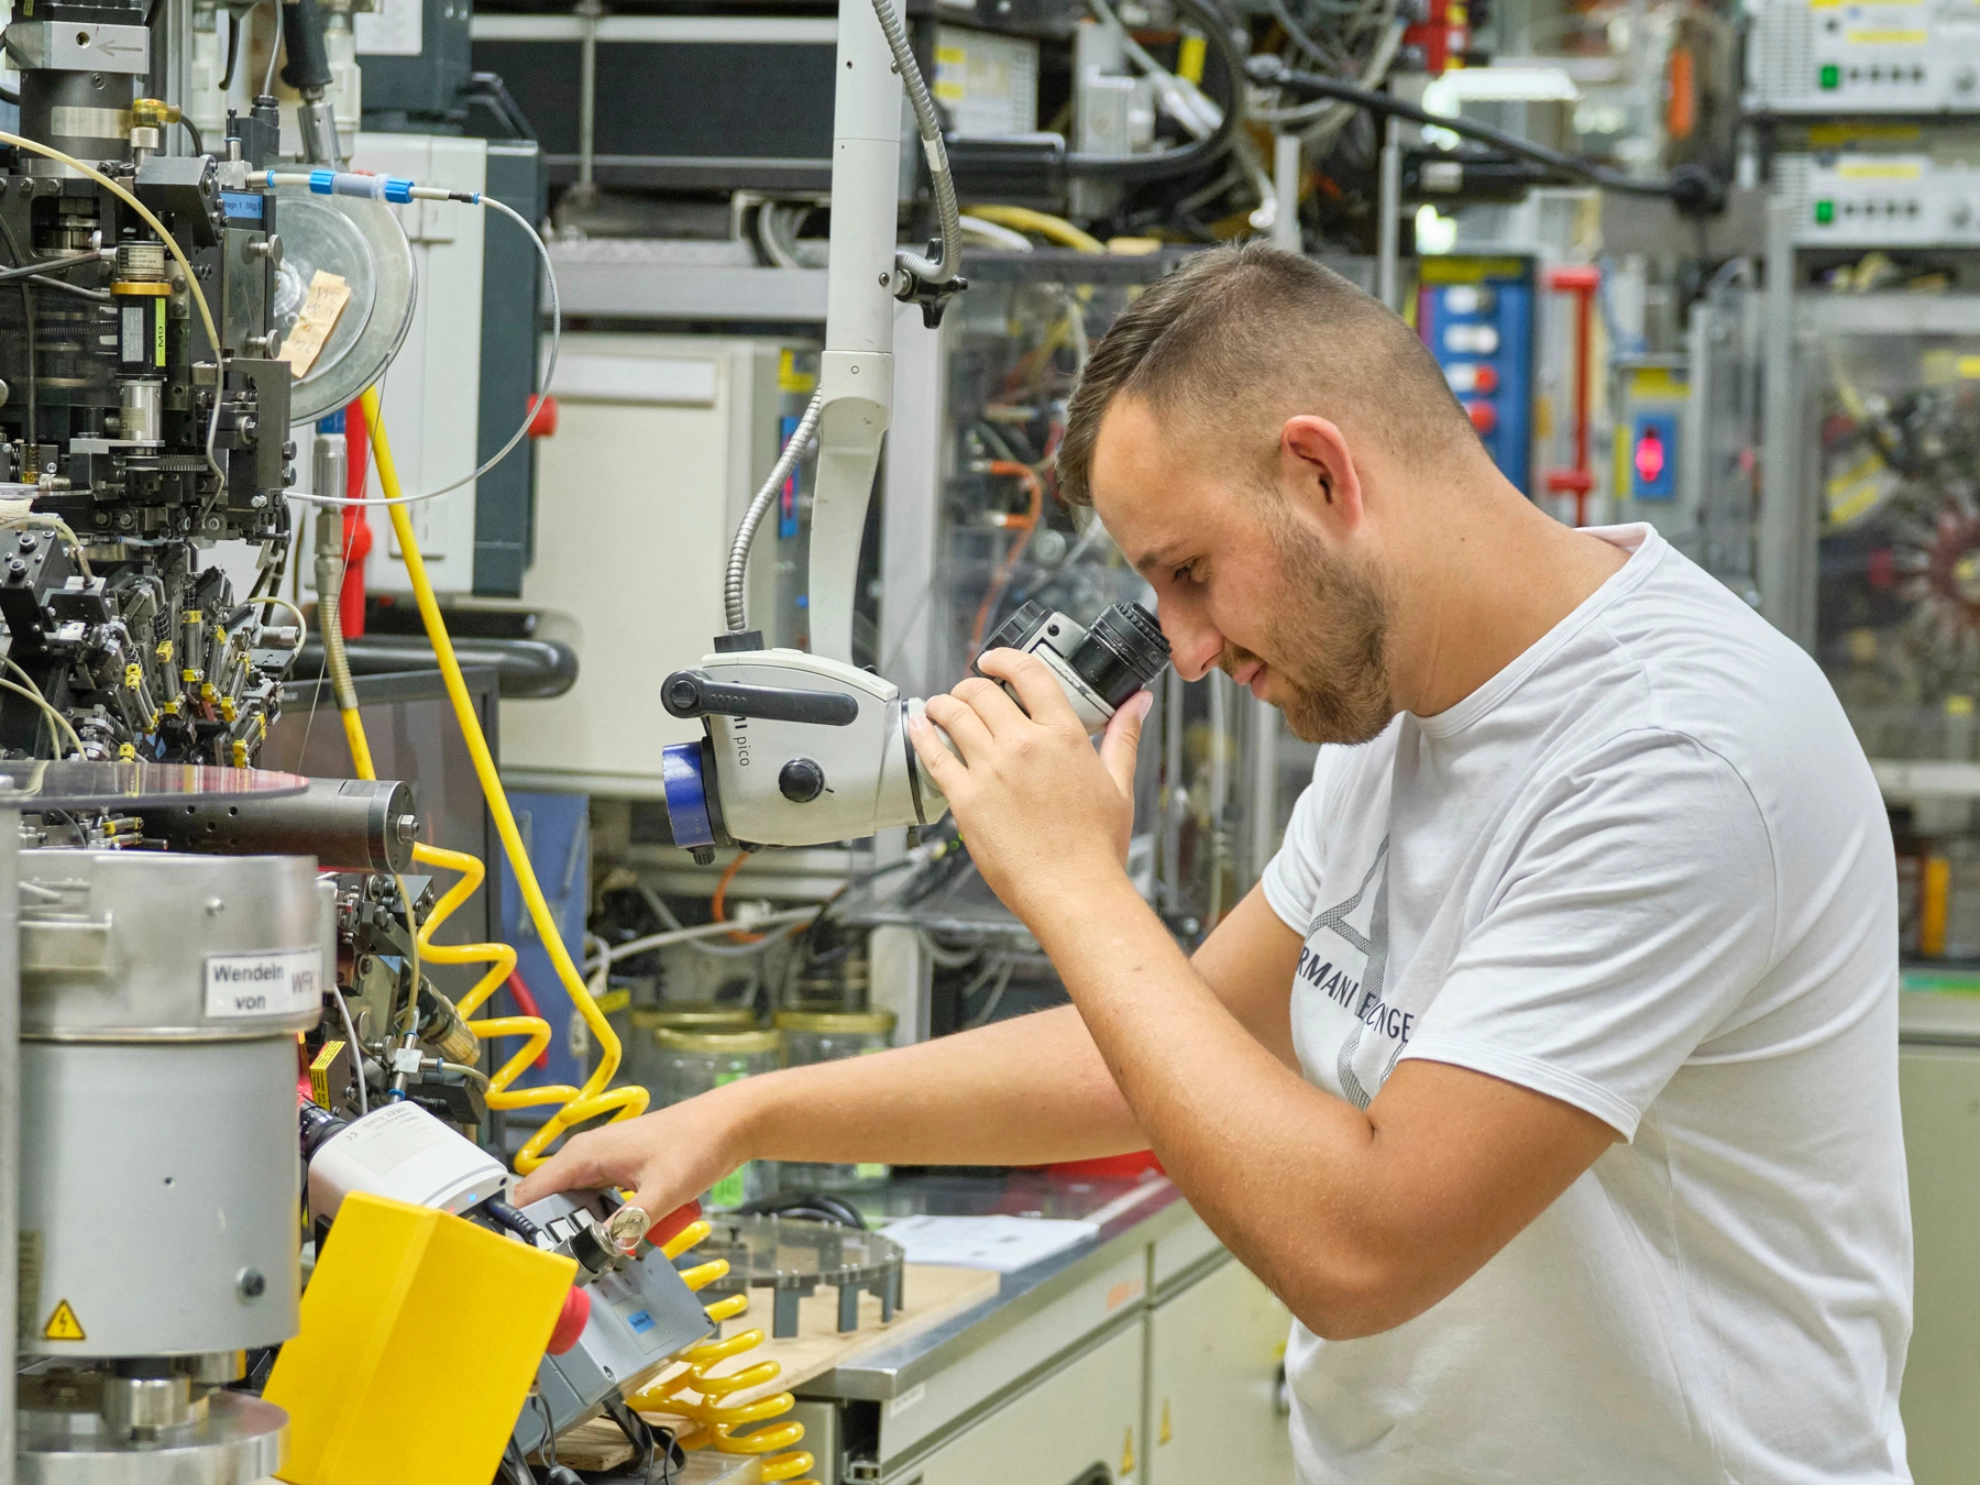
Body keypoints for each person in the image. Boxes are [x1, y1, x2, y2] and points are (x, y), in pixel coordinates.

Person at [518, 243, 1912, 1483]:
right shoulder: (1408, 707)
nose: (1182, 649)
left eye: (1189, 570)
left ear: (1320, 473)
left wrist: (1073, 882)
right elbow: (1159, 1044)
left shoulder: (1677, 758)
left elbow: (1364, 1247)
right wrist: (750, 1116)